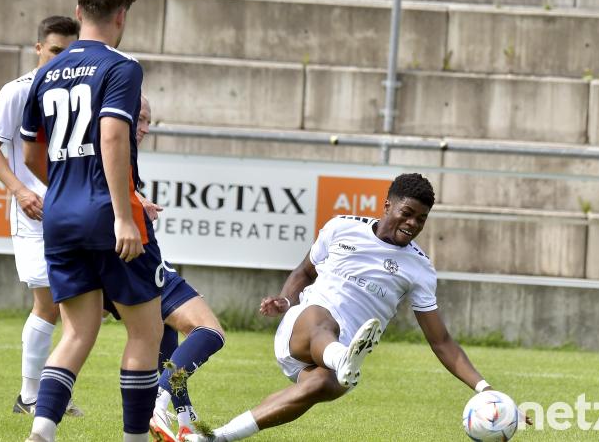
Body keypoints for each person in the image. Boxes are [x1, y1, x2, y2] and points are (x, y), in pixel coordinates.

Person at [182, 173, 519, 441]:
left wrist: (485, 389)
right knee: (324, 321)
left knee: (316, 387)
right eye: (407, 213)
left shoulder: (420, 269)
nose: (413, 224)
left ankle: (214, 438)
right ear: (387, 205)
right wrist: (286, 299)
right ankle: (341, 357)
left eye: (422, 219)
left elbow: (441, 341)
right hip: (304, 327)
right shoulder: (341, 227)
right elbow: (304, 272)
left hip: (339, 364)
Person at [19, 0, 163, 441]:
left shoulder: (46, 72)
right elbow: (113, 136)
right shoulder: (122, 66)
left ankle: (43, 429)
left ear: (79, 13)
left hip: (60, 216)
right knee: (145, 333)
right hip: (107, 213)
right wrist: (122, 215)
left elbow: (31, 152)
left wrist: (67, 189)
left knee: (76, 333)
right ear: (121, 16)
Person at [0, 15, 82, 417]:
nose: (61, 58)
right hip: (34, 212)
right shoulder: (18, 91)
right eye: (55, 50)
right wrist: (20, 191)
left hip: (73, 210)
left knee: (70, 304)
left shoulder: (79, 91)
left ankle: (45, 395)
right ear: (38, 48)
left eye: (69, 51)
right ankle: (30, 396)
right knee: (49, 301)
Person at [109, 95, 227, 442]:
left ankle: (186, 420)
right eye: (141, 119)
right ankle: (158, 400)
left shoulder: (108, 149)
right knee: (210, 331)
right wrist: (133, 204)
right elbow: (103, 187)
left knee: (163, 336)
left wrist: (136, 199)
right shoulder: (112, 146)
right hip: (133, 257)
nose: (145, 128)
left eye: (149, 121)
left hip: (114, 261)